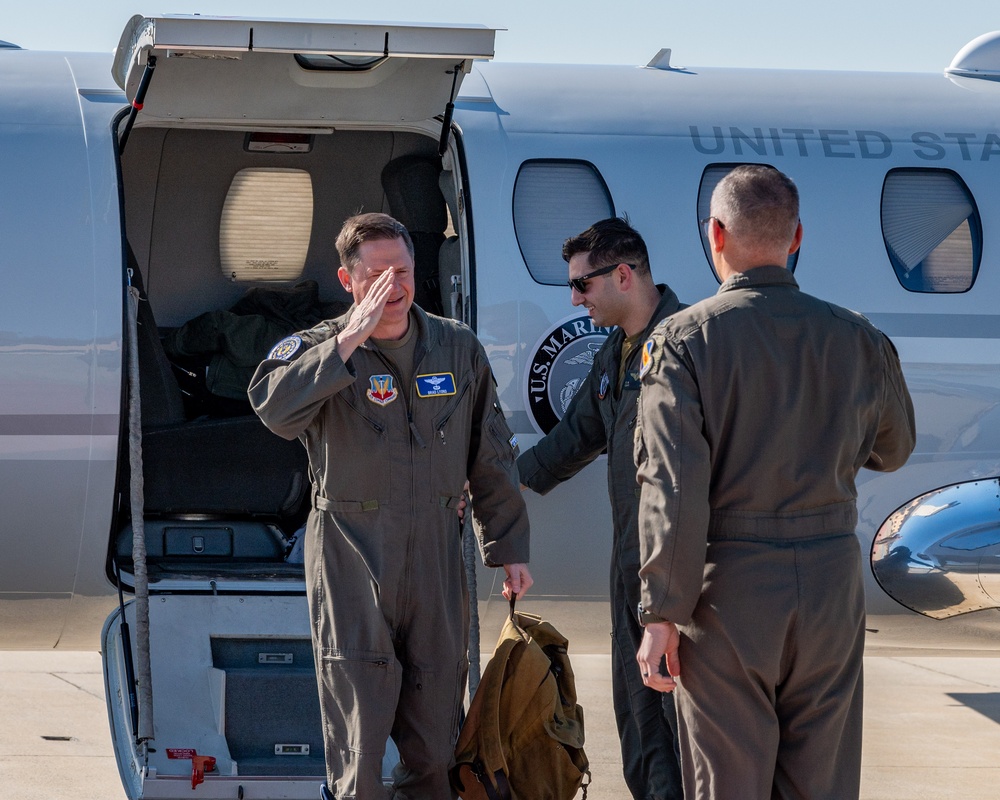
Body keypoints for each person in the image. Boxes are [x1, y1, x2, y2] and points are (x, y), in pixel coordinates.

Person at [633, 165, 915, 799]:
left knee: (727, 780)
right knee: (822, 780)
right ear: (797, 238)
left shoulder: (682, 341)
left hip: (730, 588)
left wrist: (662, 614)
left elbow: (672, 488)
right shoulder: (859, 337)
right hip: (830, 584)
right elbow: (894, 451)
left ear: (716, 234)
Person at [248, 212, 532, 800]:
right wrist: (349, 338)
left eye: (402, 271)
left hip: (433, 555)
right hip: (353, 555)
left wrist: (507, 547)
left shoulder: (456, 347)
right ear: (347, 280)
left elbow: (492, 453)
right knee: (360, 736)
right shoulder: (319, 349)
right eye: (377, 275)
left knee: (435, 736)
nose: (394, 288)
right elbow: (273, 410)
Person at [517, 217, 684, 800]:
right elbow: (576, 436)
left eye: (581, 285)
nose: (574, 298)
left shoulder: (688, 346)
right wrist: (497, 483)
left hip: (676, 569)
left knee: (677, 722)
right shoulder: (617, 352)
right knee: (637, 715)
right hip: (630, 565)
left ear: (622, 275)